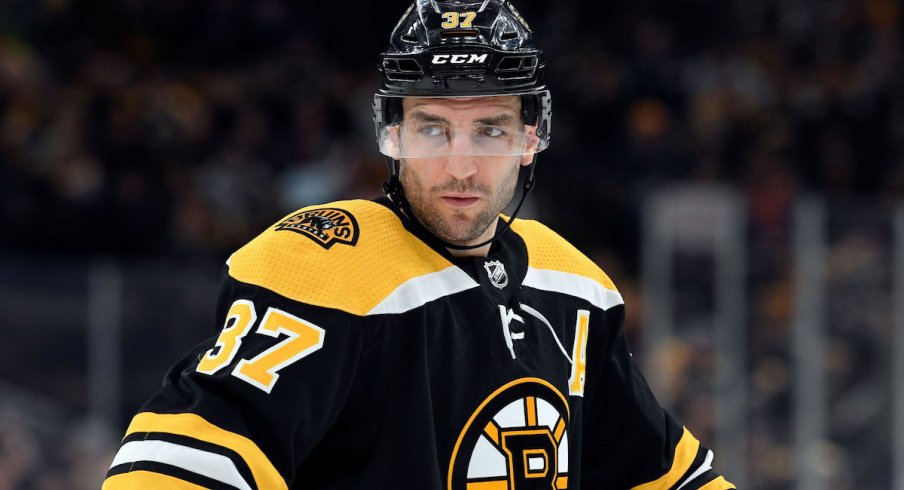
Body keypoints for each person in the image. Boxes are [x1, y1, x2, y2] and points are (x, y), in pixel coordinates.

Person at [103, 1, 735, 488]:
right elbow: (187, 460)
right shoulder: (325, 263)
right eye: (434, 128)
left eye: (489, 130)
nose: (460, 166)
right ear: (391, 132)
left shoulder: (571, 284)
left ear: (532, 136)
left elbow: (664, 474)